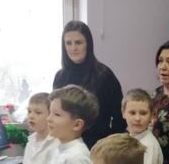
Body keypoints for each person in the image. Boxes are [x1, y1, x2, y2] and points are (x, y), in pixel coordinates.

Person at [53, 20, 124, 149]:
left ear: (88, 44)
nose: (73, 48)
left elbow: (120, 116)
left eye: (78, 42)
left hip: (97, 148)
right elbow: (55, 113)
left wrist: (108, 145)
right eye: (68, 43)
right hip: (65, 147)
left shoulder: (104, 75)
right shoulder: (60, 77)